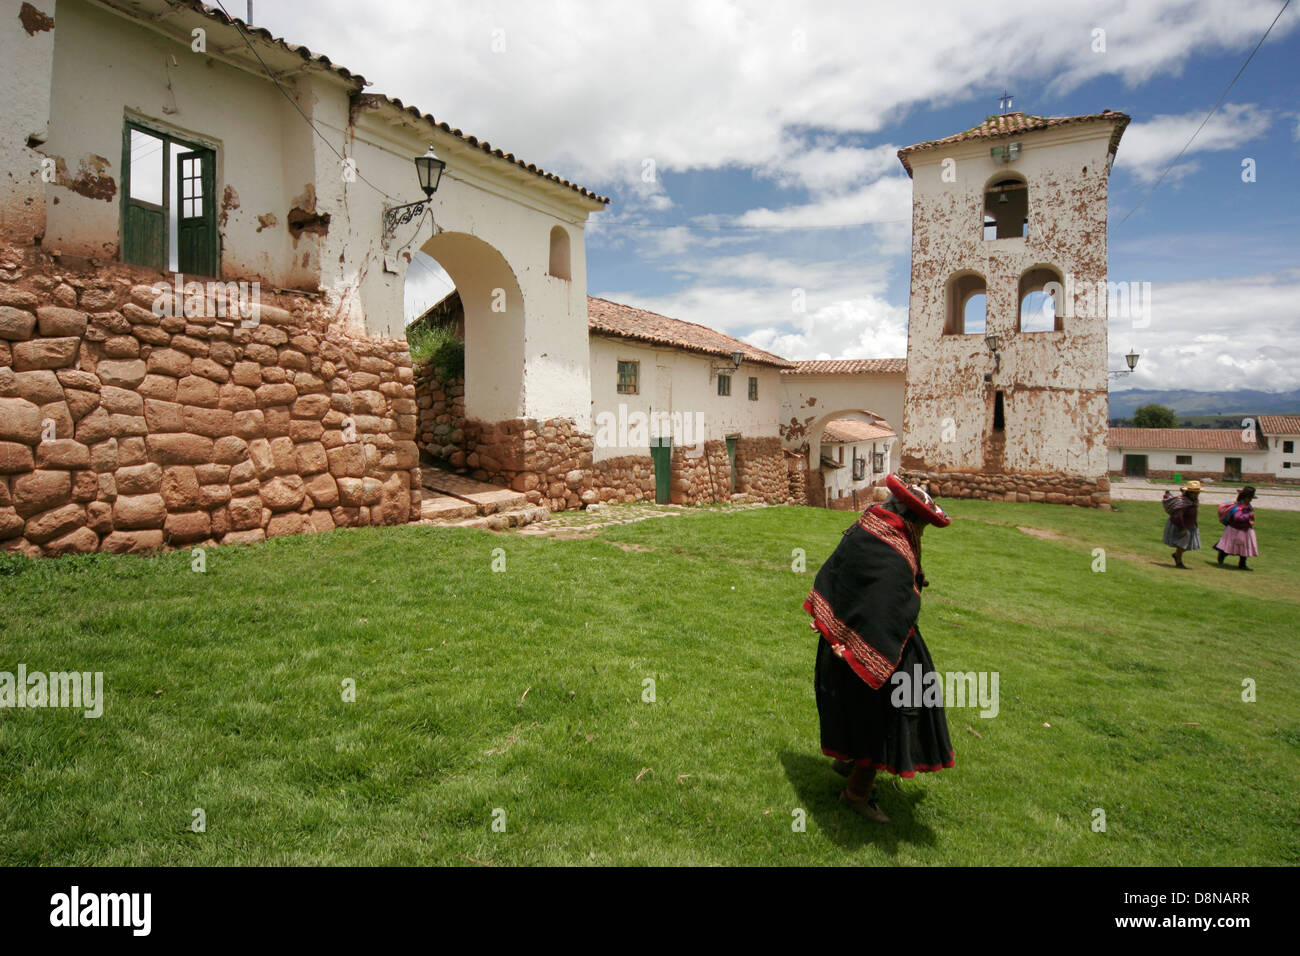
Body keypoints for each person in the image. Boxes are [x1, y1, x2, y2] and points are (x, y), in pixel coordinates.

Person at [803, 473, 955, 824]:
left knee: (851, 708)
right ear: (912, 519)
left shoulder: (867, 526)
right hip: (876, 652)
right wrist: (877, 655)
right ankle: (857, 792)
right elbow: (884, 608)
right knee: (885, 717)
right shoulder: (894, 550)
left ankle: (847, 759)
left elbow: (837, 574)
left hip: (841, 640)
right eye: (922, 525)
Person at [1214, 486, 1258, 571]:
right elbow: (1237, 518)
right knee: (1230, 546)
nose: (1251, 500)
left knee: (1245, 548)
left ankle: (1242, 564)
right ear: (1244, 497)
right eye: (1249, 498)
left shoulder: (1248, 506)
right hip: (1235, 529)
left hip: (1245, 529)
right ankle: (1222, 555)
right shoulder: (1239, 507)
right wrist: (1249, 515)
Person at [1163, 479, 1201, 570]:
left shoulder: (1194, 501)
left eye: (1197, 493)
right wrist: (1183, 528)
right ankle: (1178, 561)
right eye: (1193, 492)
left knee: (1187, 545)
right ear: (1188, 492)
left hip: (1190, 526)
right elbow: (1178, 516)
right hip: (1180, 525)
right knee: (1182, 545)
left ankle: (1176, 555)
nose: (1196, 494)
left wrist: (1195, 524)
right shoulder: (1182, 502)